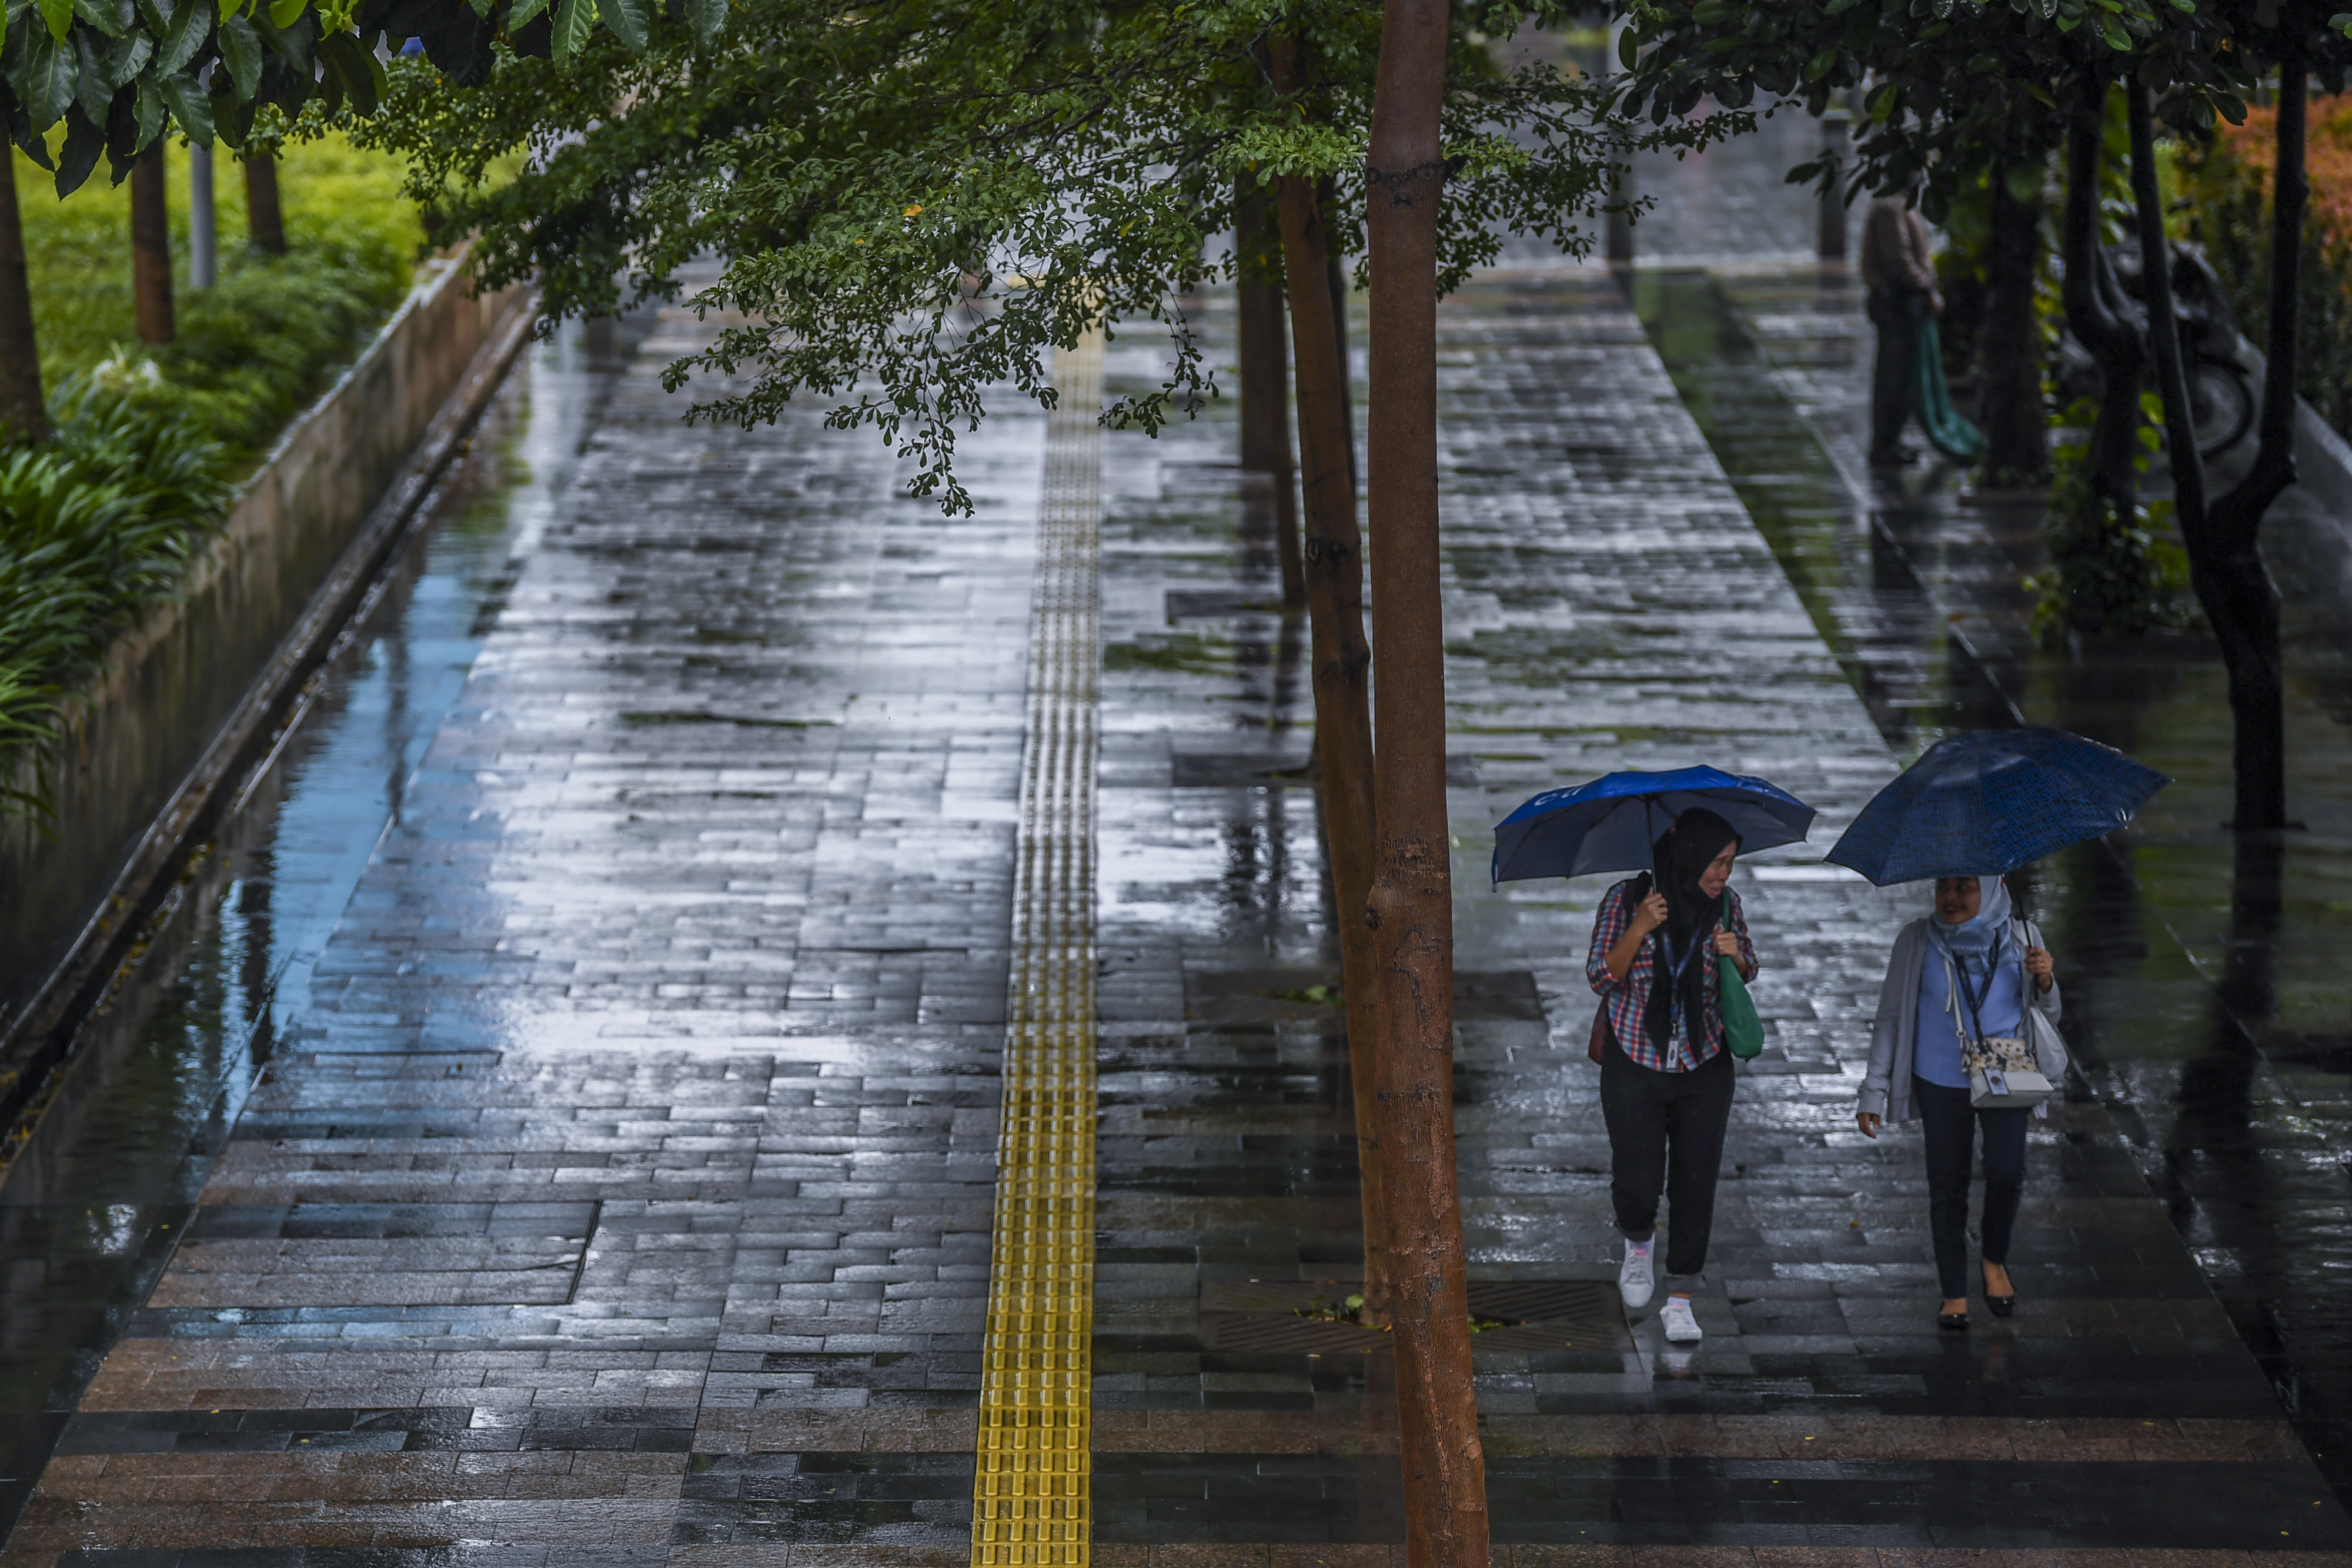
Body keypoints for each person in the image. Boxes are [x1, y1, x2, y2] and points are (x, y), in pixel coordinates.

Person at [1585, 807, 1759, 1345]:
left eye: (1730, 864)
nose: (1723, 875)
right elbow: (1599, 976)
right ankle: (1638, 1243)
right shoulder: (1624, 900)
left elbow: (1750, 966)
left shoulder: (1726, 906)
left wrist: (1736, 958)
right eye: (1717, 863)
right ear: (1687, 857)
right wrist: (1641, 926)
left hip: (1704, 1063)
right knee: (1637, 1180)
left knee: (1695, 1180)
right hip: (1635, 1058)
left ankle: (1680, 1297)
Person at [1856, 874, 2060, 1329]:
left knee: (2008, 1169)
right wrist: (1873, 1089)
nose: (1951, 898)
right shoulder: (1916, 940)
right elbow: (1889, 1018)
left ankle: (1993, 1260)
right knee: (1947, 1183)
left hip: (2006, 1071)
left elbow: (2049, 1016)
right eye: (1944, 887)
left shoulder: (2021, 937)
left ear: (1991, 889)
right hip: (1939, 1077)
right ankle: (1953, 1289)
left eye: (1965, 887)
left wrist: (2045, 978)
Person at [1860, 192, 1942, 467]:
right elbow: (1898, 259)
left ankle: (1891, 441)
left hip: (1900, 303)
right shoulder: (1890, 209)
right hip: (1893, 303)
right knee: (1892, 377)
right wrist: (1925, 286)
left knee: (1899, 375)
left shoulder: (1902, 206)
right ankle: (1885, 444)